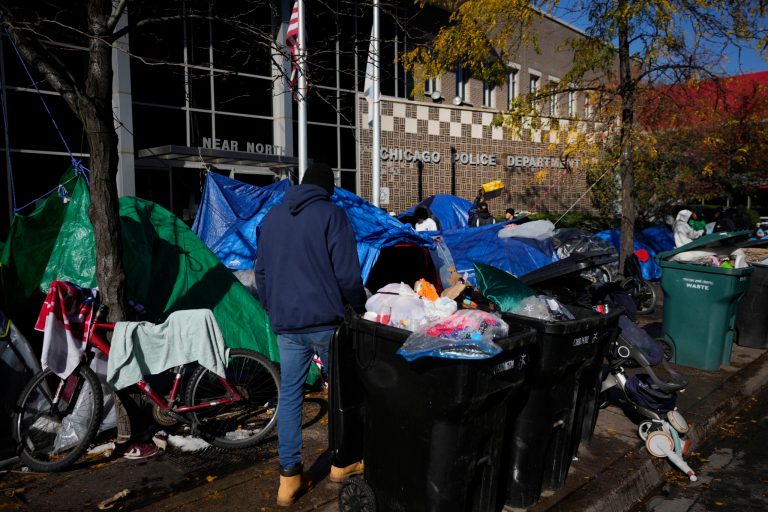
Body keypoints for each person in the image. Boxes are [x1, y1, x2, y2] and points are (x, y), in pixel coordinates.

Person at [254, 163, 367, 507]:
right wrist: (359, 305)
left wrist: (275, 308)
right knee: (344, 394)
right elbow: (347, 273)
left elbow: (260, 272)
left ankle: (289, 479)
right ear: (328, 190)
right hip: (327, 323)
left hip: (287, 324)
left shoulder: (271, 217)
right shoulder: (332, 215)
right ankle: (342, 462)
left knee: (289, 395)